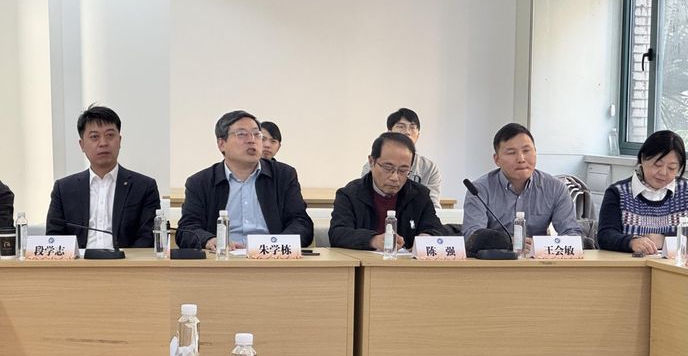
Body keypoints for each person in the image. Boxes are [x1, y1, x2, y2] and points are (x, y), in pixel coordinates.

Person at [176, 110, 313, 249]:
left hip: (270, 256)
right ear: (221, 143)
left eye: (256, 134)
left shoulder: (284, 175)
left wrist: (276, 244)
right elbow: (187, 229)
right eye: (242, 134)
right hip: (223, 257)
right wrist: (209, 240)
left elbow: (301, 223)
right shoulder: (200, 182)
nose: (252, 140)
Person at [46, 105, 160, 248]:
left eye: (110, 135)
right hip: (79, 261)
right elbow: (54, 237)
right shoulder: (64, 189)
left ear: (120, 140)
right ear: (82, 145)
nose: (103, 143)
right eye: (94, 137)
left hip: (125, 260)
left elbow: (147, 237)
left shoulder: (144, 187)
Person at [462, 123, 582, 250]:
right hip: (495, 259)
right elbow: (471, 237)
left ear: (535, 152)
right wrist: (507, 242)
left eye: (526, 151)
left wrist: (549, 245)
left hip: (538, 259)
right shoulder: (479, 190)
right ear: (497, 160)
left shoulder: (555, 188)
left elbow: (572, 234)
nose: (521, 159)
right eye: (511, 153)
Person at [330, 132, 443, 250]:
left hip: (406, 261)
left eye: (403, 170)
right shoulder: (350, 194)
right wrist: (373, 240)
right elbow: (337, 233)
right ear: (371, 162)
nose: (395, 177)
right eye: (388, 168)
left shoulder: (419, 195)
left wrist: (425, 239)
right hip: (364, 260)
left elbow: (435, 228)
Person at [599, 130, 687, 255]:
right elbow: (605, 236)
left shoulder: (685, 191)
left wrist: (664, 240)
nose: (663, 173)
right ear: (643, 158)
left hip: (675, 266)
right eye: (657, 165)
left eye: (671, 168)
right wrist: (631, 242)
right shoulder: (617, 192)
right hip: (630, 265)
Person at [361, 108, 442, 208]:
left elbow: (433, 207)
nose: (407, 132)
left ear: (418, 135)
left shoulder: (430, 168)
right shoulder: (374, 165)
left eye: (412, 127)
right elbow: (365, 199)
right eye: (401, 126)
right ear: (389, 132)